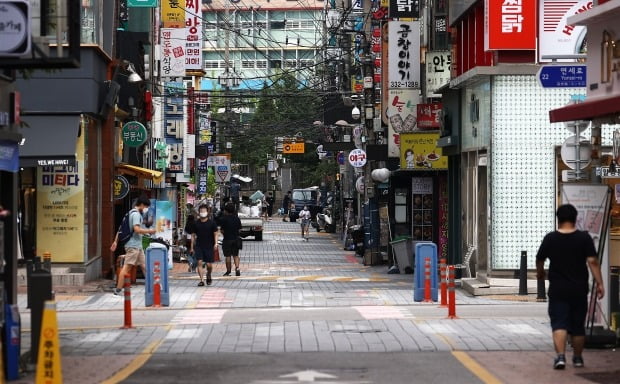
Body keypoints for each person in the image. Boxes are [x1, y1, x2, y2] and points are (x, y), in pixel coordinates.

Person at [535, 204, 605, 370]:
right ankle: (578, 358)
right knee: (578, 325)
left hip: (558, 289)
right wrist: (600, 283)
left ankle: (560, 357)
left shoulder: (550, 238)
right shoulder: (584, 238)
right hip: (579, 289)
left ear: (558, 219)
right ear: (575, 219)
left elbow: (540, 259)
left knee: (559, 323)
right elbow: (593, 262)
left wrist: (540, 274)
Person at [111, 196, 156, 295]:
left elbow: (120, 229)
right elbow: (137, 229)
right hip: (133, 246)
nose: (146, 209)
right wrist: (150, 231)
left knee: (144, 266)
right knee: (127, 267)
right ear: (142, 205)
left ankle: (154, 287)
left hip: (137, 246)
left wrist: (115, 241)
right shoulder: (136, 215)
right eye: (146, 207)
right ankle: (118, 289)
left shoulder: (129, 213)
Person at [190, 204, 219, 286]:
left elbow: (216, 233)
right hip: (199, 245)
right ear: (199, 212)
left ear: (207, 212)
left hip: (209, 245)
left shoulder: (212, 223)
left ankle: (209, 274)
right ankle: (201, 280)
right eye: (201, 211)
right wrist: (192, 247)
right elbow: (193, 236)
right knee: (199, 262)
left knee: (209, 265)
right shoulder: (196, 223)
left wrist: (216, 243)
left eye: (204, 211)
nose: (203, 212)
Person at [219, 202, 242, 276]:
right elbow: (239, 230)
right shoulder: (237, 219)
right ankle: (237, 268)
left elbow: (222, 230)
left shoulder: (224, 219)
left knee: (228, 256)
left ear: (226, 210)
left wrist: (225, 234)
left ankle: (228, 271)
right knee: (236, 255)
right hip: (235, 239)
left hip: (227, 239)